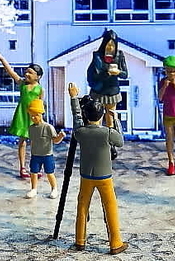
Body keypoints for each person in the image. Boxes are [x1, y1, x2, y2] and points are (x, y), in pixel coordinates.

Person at [68, 83, 128, 255]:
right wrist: (115, 119)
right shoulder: (107, 133)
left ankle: (80, 240)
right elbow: (120, 141)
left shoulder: (80, 132)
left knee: (82, 206)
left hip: (86, 176)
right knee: (110, 207)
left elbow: (76, 117)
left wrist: (74, 98)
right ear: (102, 115)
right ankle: (115, 243)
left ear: (86, 114)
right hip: (104, 177)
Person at [0, 51, 44, 178]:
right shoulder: (22, 84)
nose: (26, 74)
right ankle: (22, 167)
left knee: (36, 143)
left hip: (33, 117)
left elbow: (40, 106)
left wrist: (41, 121)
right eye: (26, 72)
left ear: (38, 76)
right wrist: (1, 58)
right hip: (22, 115)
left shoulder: (40, 89)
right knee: (22, 141)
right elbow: (11, 72)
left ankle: (35, 167)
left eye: (30, 72)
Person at [87, 29, 128, 158]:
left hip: (112, 91)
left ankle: (111, 145)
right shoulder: (97, 57)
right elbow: (94, 75)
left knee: (110, 118)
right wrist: (107, 73)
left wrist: (118, 72)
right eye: (108, 44)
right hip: (99, 92)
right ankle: (97, 144)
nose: (110, 47)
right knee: (97, 118)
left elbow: (125, 74)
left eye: (113, 45)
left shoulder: (119, 55)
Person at [24, 99, 65, 199]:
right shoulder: (31, 128)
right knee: (33, 172)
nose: (33, 118)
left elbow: (55, 140)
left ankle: (54, 188)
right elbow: (31, 140)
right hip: (35, 155)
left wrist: (60, 136)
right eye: (31, 115)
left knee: (50, 173)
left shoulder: (48, 127)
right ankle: (34, 189)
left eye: (36, 115)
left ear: (41, 114)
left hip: (47, 155)